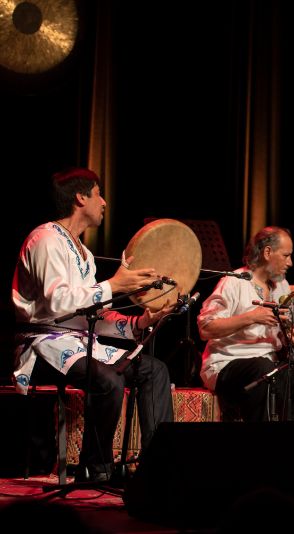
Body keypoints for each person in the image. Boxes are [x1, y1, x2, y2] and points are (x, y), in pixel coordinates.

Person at [11, 167, 174, 482]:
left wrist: (140, 321)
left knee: (155, 371)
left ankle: (156, 467)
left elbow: (94, 315)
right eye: (99, 194)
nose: (104, 202)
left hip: (81, 342)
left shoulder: (84, 253)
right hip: (45, 343)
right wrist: (115, 284)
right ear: (80, 197)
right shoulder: (45, 239)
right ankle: (95, 468)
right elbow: (57, 303)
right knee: (109, 380)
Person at [198, 226, 294, 422]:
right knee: (264, 368)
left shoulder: (281, 286)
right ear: (267, 252)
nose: (290, 263)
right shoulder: (234, 282)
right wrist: (251, 317)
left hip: (268, 367)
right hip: (226, 365)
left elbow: (276, 337)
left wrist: (286, 336)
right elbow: (205, 328)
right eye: (286, 255)